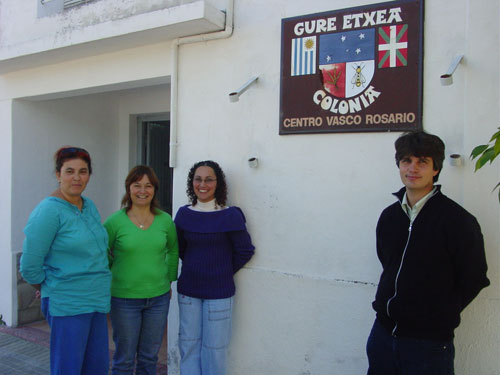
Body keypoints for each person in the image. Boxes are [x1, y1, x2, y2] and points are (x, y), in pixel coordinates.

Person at [366, 131, 490, 375]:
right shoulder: (389, 217)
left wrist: (437, 314)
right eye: (406, 161)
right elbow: (388, 263)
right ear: (399, 165)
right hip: (382, 334)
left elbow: (474, 277)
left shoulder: (457, 220)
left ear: (435, 169)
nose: (413, 168)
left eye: (422, 161)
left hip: (428, 344)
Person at [20, 146, 111, 375]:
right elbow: (30, 267)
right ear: (58, 174)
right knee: (69, 368)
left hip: (96, 300)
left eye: (83, 171)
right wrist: (50, 286)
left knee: (97, 367)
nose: (77, 177)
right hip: (68, 304)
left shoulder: (88, 205)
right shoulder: (48, 211)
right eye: (70, 171)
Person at [174, 160, 255, 375]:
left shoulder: (230, 215)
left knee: (215, 351)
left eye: (209, 179)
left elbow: (245, 250)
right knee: (188, 346)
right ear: (192, 182)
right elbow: (180, 249)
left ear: (218, 183)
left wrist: (221, 271)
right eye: (198, 179)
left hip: (219, 295)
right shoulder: (184, 215)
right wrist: (197, 267)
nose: (203, 184)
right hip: (188, 293)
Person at [104, 165, 179, 375]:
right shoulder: (114, 222)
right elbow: (102, 255)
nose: (142, 191)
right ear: (129, 188)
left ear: (154, 189)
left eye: (148, 186)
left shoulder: (165, 220)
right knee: (124, 359)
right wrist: (115, 274)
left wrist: (170, 279)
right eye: (137, 185)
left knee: (149, 358)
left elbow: (173, 250)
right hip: (124, 299)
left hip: (158, 298)